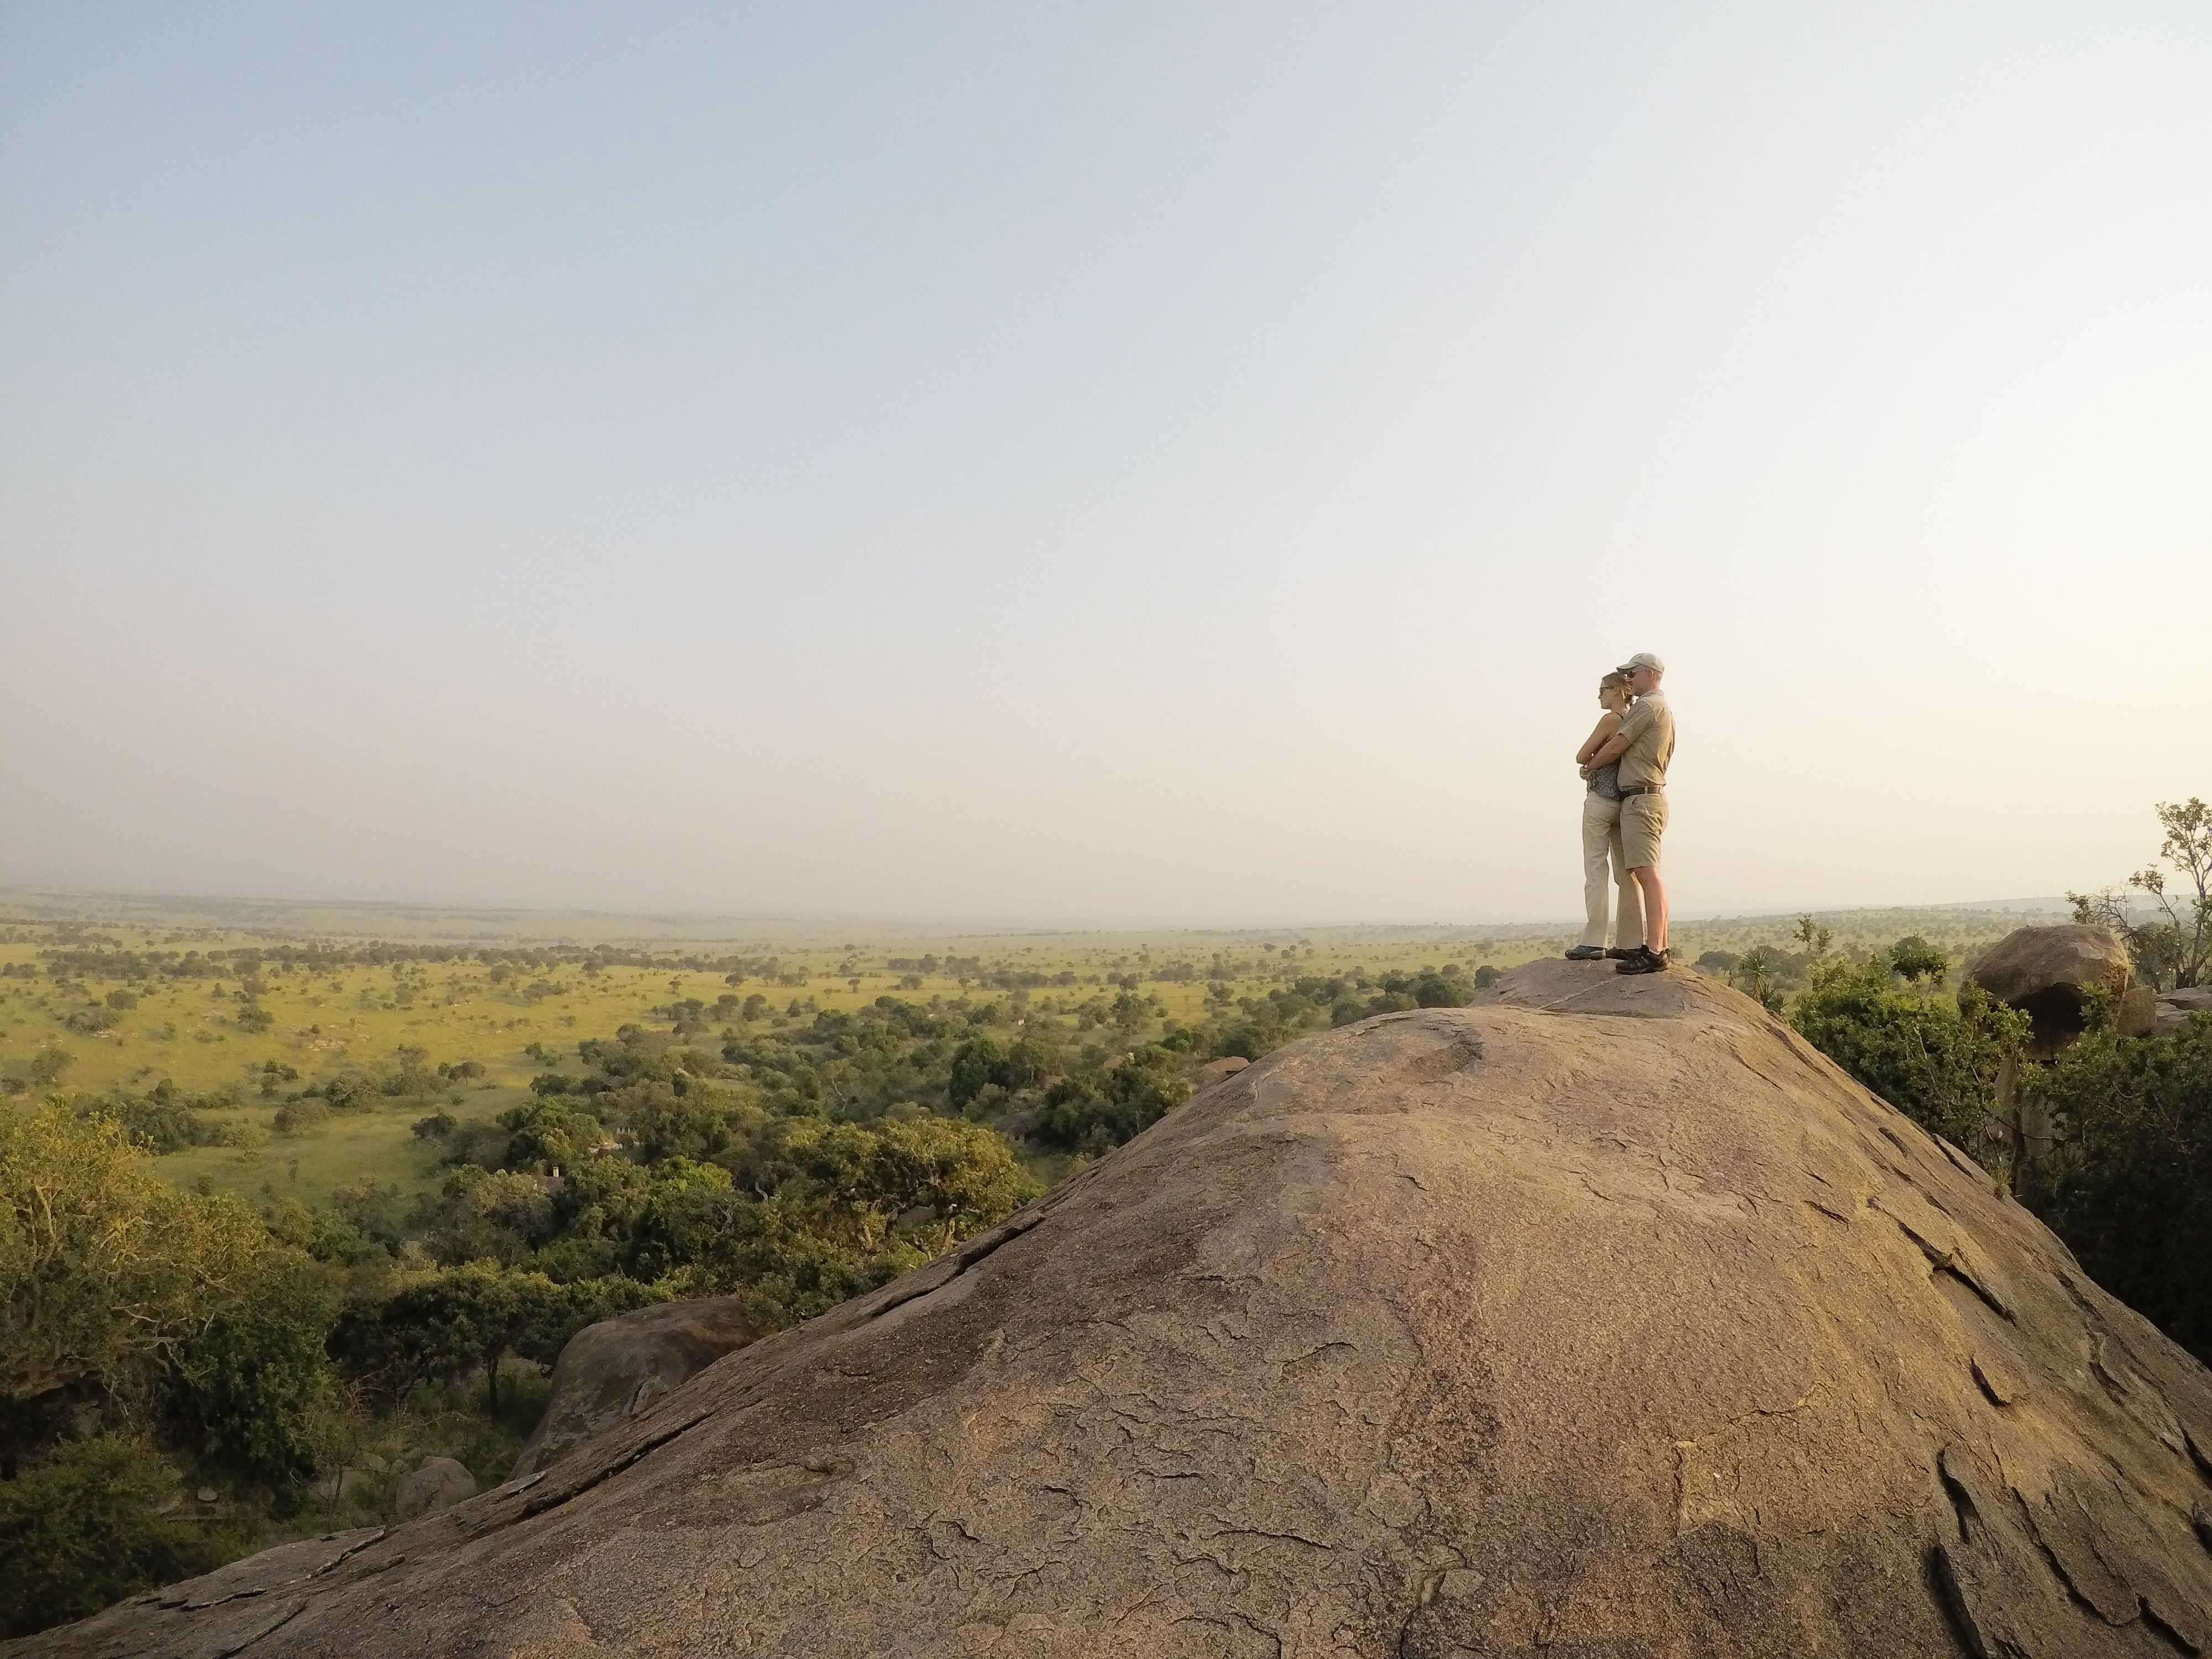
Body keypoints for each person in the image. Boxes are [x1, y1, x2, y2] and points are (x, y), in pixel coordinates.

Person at [1581, 652, 1674, 974]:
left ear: (1649, 674)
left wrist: (1591, 766)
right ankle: (1647, 945)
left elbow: (1617, 745)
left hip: (1642, 797)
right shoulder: (1659, 709)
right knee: (1640, 873)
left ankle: (1655, 950)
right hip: (1644, 796)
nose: (1629, 680)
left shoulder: (1648, 706)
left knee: (1646, 874)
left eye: (1632, 674)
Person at [1564, 672, 1644, 962]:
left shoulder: (1613, 720)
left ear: (1619, 690)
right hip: (1625, 803)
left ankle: (1595, 939)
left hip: (1601, 801)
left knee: (1596, 869)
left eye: (1603, 690)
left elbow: (1581, 755)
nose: (1599, 695)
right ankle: (1631, 941)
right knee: (1627, 875)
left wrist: (1590, 764)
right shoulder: (1637, 720)